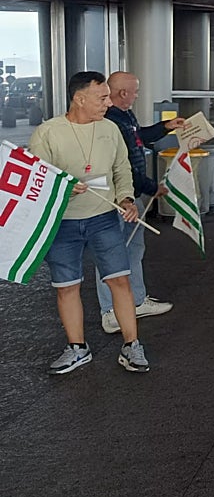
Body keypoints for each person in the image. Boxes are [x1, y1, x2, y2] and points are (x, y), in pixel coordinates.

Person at [30, 71, 148, 374]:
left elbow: (122, 169)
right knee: (66, 287)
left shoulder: (110, 129)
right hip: (62, 223)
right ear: (80, 99)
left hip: (105, 218)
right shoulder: (48, 132)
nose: (108, 103)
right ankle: (77, 348)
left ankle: (131, 345)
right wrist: (64, 189)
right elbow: (37, 180)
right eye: (102, 97)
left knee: (119, 280)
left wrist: (125, 199)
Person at [94, 71, 184, 334]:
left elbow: (138, 138)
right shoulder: (109, 120)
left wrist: (166, 127)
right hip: (117, 197)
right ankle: (110, 311)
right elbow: (119, 167)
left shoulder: (124, 117)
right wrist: (152, 187)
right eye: (135, 91)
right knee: (111, 253)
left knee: (133, 248)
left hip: (131, 195)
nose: (137, 95)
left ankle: (135, 301)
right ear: (123, 93)